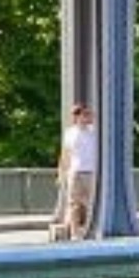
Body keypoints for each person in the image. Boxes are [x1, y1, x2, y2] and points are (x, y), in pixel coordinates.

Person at [53, 103, 97, 240]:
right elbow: (65, 154)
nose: (88, 117)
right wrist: (61, 173)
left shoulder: (93, 131)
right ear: (77, 117)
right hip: (75, 171)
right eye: (85, 114)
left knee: (91, 202)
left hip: (90, 171)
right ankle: (75, 233)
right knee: (73, 203)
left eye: (89, 114)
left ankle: (90, 229)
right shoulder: (70, 133)